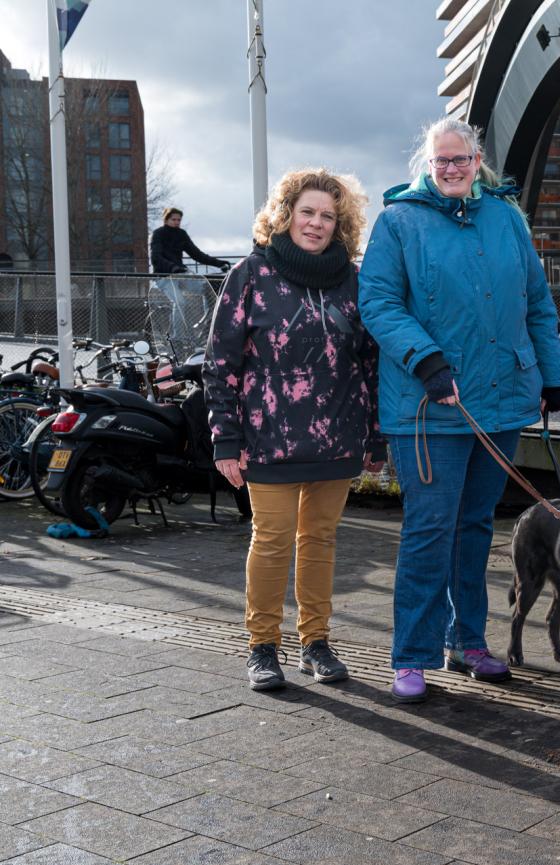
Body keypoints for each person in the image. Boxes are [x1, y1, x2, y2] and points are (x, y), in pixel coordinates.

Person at [359, 117, 560, 704]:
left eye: (460, 159)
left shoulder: (505, 219)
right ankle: (412, 654)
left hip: (501, 405)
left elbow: (536, 303)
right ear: (427, 166)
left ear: (478, 160)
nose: (451, 169)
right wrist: (425, 360)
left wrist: (554, 377)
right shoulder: (399, 223)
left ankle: (468, 640)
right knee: (429, 530)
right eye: (440, 161)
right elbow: (377, 302)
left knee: (476, 527)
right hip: (429, 409)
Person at [204, 168, 385, 691]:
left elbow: (370, 362)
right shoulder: (251, 275)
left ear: (340, 224)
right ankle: (262, 647)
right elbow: (221, 364)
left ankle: (316, 642)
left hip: (338, 434)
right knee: (273, 540)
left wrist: (376, 434)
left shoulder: (355, 281)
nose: (316, 223)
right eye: (307, 212)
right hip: (268, 438)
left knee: (321, 540)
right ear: (285, 215)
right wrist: (226, 438)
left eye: (328, 216)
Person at [151, 207, 230, 349]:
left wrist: (218, 263)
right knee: (180, 302)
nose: (176, 222)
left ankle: (206, 324)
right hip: (164, 276)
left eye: (179, 220)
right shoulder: (158, 234)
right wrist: (172, 267)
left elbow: (196, 254)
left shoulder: (181, 234)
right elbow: (156, 257)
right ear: (166, 219)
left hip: (180, 274)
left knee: (207, 287)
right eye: (173, 219)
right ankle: (178, 338)